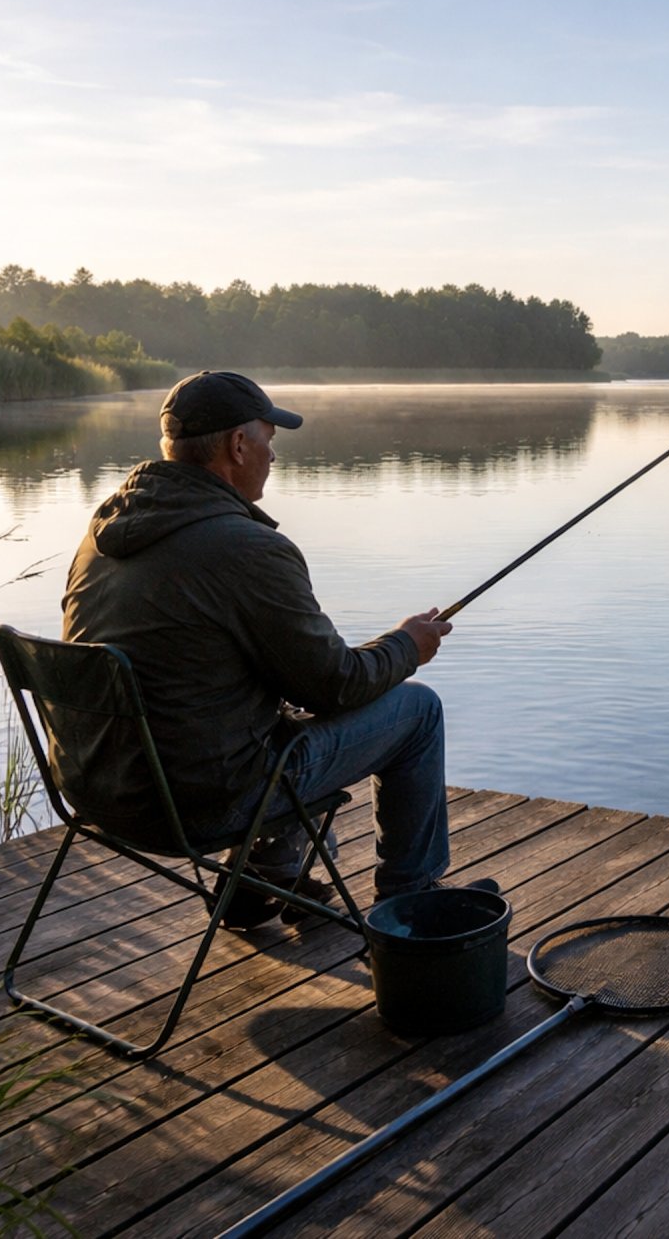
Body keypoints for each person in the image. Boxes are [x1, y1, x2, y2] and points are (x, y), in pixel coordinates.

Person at [62, 370, 457, 926]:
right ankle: (409, 902)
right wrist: (407, 646)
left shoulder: (101, 536)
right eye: (269, 439)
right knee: (417, 710)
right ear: (237, 445)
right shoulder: (246, 547)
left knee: (277, 708)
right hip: (199, 806)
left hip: (98, 791)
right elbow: (337, 686)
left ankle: (263, 874)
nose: (273, 455)